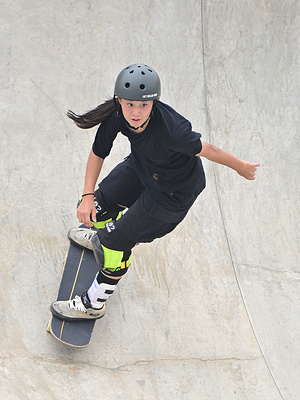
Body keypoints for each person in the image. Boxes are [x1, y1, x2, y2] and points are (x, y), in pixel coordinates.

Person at [50, 64, 260, 321]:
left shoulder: (173, 130)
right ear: (119, 101)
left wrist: (241, 167)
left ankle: (94, 303)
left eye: (143, 106)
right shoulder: (116, 115)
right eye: (129, 105)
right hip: (143, 167)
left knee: (115, 244)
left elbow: (210, 150)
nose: (135, 113)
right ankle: (102, 234)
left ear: (154, 104)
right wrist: (87, 196)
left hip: (171, 195)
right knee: (99, 204)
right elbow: (98, 153)